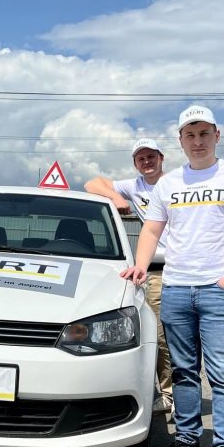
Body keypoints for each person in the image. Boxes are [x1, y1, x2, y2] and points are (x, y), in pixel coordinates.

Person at [121, 105, 224, 447]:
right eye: (190, 134)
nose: (197, 141)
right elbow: (151, 230)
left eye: (204, 133)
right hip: (176, 288)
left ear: (216, 136)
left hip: (220, 291)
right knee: (183, 372)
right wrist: (140, 266)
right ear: (181, 140)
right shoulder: (169, 183)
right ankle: (187, 442)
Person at [85, 138, 173, 415]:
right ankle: (169, 392)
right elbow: (92, 183)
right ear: (135, 163)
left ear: (161, 158)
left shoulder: (176, 184)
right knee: (156, 335)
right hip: (148, 271)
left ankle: (171, 394)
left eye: (151, 157)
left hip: (175, 268)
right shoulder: (135, 186)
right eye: (141, 158)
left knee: (168, 336)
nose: (147, 162)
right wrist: (116, 198)